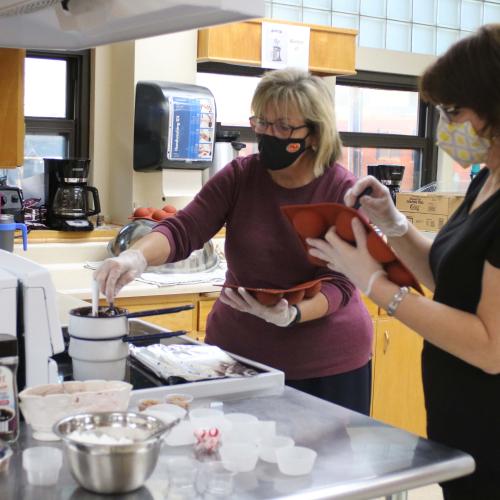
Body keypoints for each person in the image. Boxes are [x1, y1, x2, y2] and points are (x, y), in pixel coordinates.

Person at [94, 68, 374, 414]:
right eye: (262, 123)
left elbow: (343, 282)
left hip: (326, 365)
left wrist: (293, 314)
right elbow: (185, 229)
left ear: (314, 135)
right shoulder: (242, 177)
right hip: (238, 357)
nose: (269, 134)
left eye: (283, 127)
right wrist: (134, 259)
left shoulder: (341, 191)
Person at [307, 24, 500, 499]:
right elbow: (447, 278)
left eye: (454, 111)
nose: (444, 125)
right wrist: (392, 224)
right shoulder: (488, 180)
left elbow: (490, 347)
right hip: (460, 415)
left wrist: (376, 285)